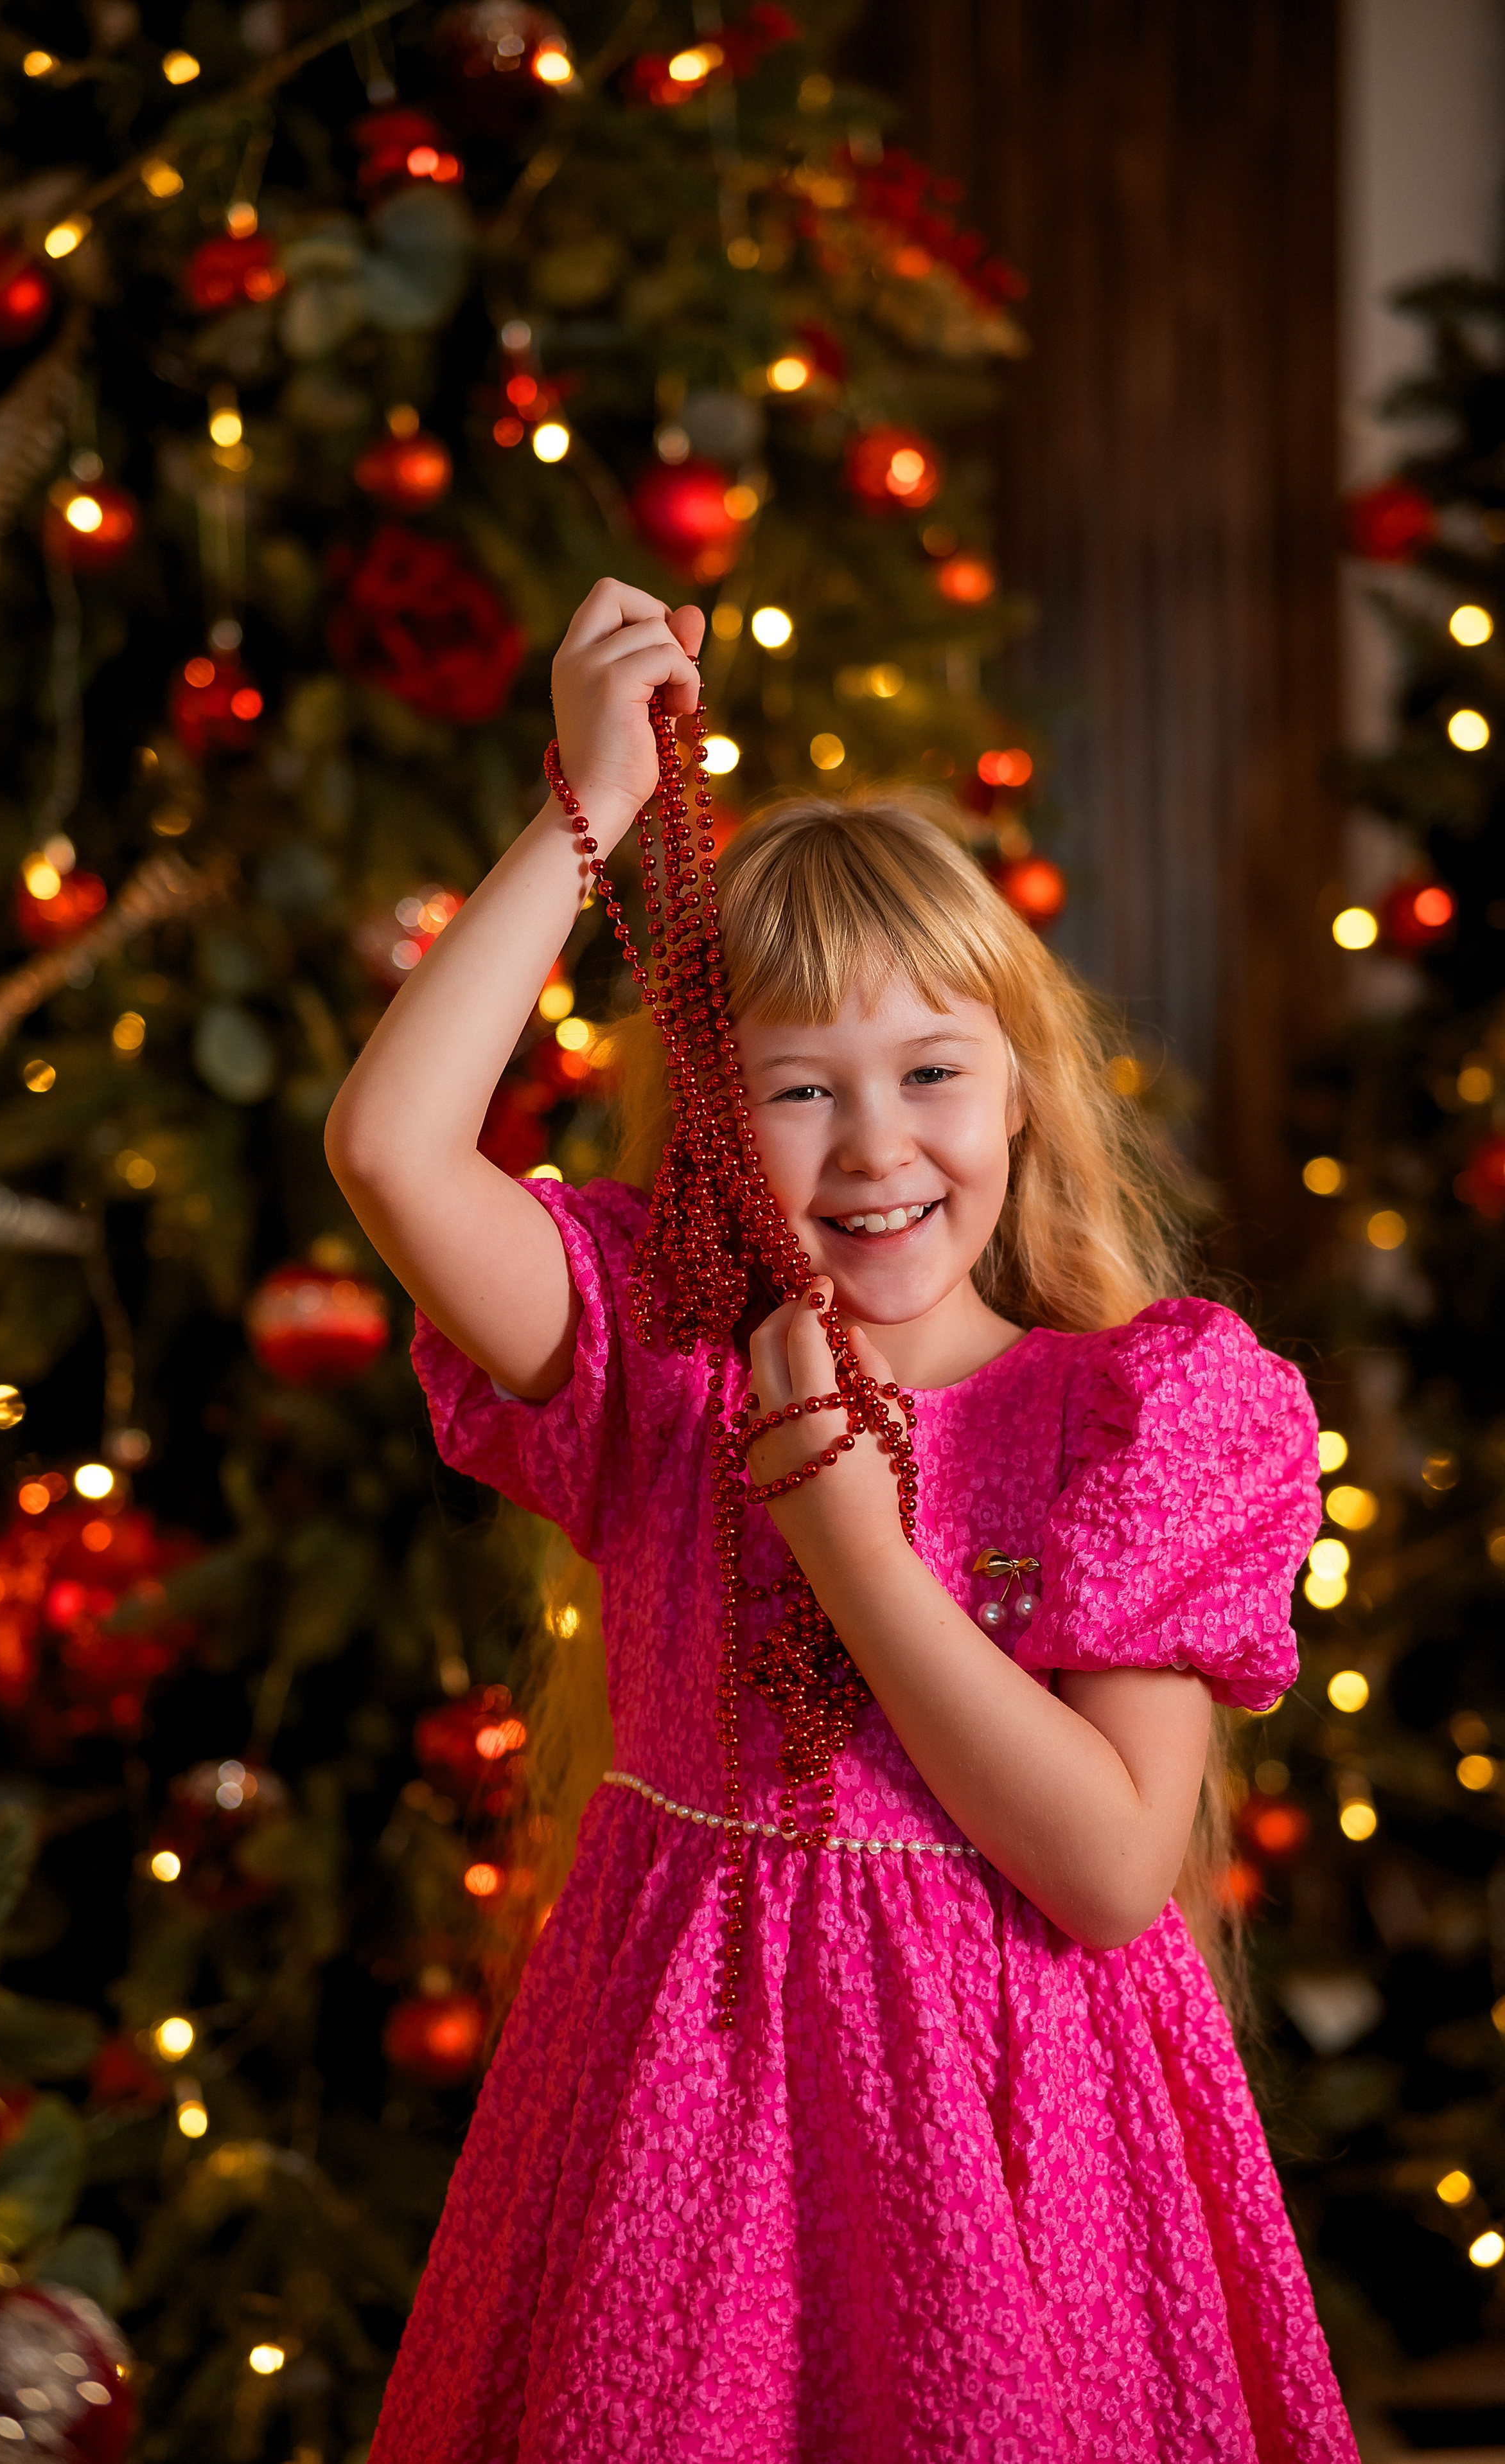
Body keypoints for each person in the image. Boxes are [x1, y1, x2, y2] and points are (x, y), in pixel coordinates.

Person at [329, 578, 1359, 2463]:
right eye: (800, 1091)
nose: (877, 1147)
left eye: (931, 1075)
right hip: (679, 2148)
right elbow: (393, 1146)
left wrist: (855, 1549)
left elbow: (1114, 1868)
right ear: (719, 1128)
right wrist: (586, 808)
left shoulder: (1135, 1412)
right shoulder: (654, 1360)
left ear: (1027, 1096)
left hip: (1024, 2175)